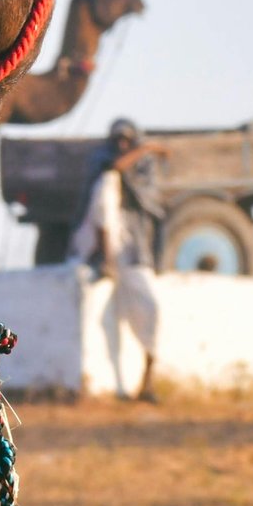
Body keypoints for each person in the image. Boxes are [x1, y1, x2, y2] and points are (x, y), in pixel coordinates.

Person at [69, 119, 161, 400]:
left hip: (135, 252)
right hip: (106, 254)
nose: (122, 146)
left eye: (127, 141)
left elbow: (151, 205)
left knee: (149, 311)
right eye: (118, 141)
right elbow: (102, 209)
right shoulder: (106, 170)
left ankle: (147, 380)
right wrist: (149, 148)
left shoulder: (143, 173)